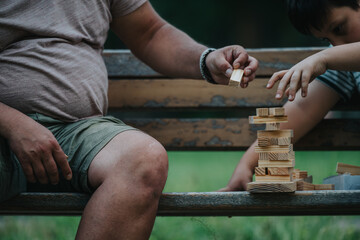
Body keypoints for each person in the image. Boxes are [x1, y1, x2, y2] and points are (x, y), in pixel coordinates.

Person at [0, 0, 258, 239]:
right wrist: (11, 122)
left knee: (143, 158)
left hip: (78, 130)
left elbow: (150, 33)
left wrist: (206, 59)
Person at [220, 0, 360, 191]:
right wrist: (247, 164)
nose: (336, 46)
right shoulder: (342, 65)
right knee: (341, 187)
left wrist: (323, 58)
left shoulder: (330, 58)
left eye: (339, 28)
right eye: (326, 40)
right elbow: (301, 110)